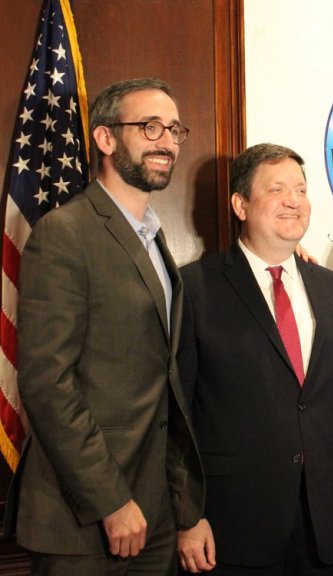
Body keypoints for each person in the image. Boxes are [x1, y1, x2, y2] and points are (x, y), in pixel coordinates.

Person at [6, 77, 205, 574]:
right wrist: (110, 501)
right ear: (106, 139)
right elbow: (47, 383)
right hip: (85, 518)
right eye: (151, 127)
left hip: (155, 512)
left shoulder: (155, 241)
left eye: (175, 130)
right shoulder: (66, 232)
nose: (167, 142)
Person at [176, 143, 333, 575]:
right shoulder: (194, 288)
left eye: (301, 189)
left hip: (328, 523)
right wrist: (187, 516)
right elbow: (178, 415)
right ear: (241, 204)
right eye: (278, 189)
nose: (294, 200)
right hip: (233, 527)